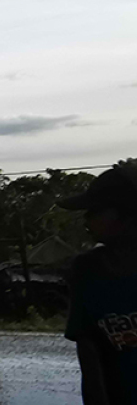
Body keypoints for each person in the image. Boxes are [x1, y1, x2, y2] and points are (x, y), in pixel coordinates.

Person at [59, 161, 137, 405]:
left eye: (93, 211)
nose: (86, 221)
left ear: (120, 215)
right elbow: (90, 353)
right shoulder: (88, 270)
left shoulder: (90, 270)